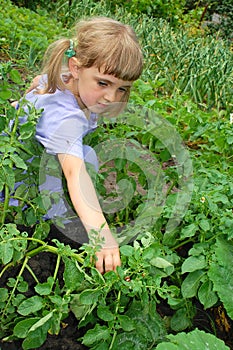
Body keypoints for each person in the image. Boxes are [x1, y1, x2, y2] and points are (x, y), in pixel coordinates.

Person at [17, 16, 143, 274]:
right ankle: (37, 219)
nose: (111, 97)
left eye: (122, 89)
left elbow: (37, 82)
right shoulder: (67, 117)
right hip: (14, 182)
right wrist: (102, 236)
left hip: (22, 157)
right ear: (76, 68)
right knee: (85, 160)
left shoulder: (63, 79)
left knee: (86, 154)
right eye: (103, 83)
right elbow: (75, 174)